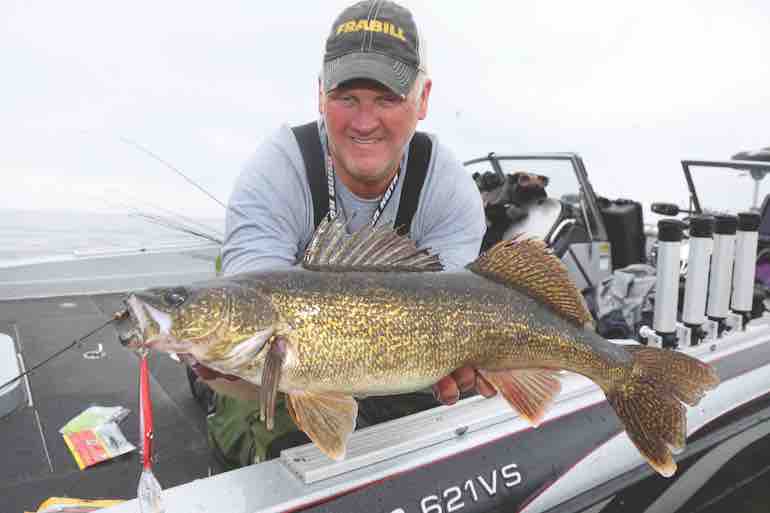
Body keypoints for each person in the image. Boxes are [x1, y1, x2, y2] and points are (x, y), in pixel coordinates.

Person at [196, 0, 495, 469]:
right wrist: (211, 364)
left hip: (402, 362)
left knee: (448, 424)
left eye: (388, 98)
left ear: (423, 98)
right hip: (286, 366)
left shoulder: (449, 190)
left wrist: (479, 365)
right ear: (320, 95)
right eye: (346, 97)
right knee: (267, 438)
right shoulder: (275, 171)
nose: (364, 121)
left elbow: (454, 323)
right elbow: (251, 325)